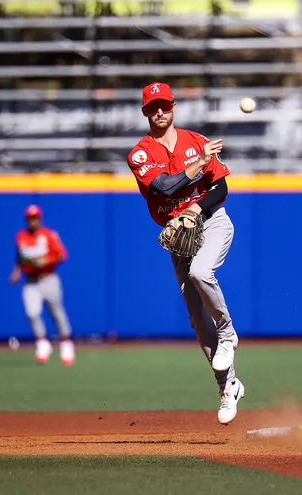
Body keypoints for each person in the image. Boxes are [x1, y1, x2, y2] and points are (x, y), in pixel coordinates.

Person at [126, 81, 242, 425]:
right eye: (153, 107)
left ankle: (228, 333)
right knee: (197, 319)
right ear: (145, 112)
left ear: (174, 107)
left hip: (212, 220)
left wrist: (196, 208)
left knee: (201, 272)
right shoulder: (140, 154)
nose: (159, 111)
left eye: (164, 105)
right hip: (180, 237)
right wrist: (197, 166)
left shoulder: (196, 141)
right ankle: (228, 386)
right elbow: (164, 187)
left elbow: (220, 186)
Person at [10, 205, 75, 366]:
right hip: (30, 280)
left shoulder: (48, 235)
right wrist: (16, 271)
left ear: (40, 219)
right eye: (30, 218)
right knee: (32, 313)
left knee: (57, 313)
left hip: (48, 278)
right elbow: (20, 257)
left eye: (35, 218)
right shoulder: (21, 236)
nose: (33, 221)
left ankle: (66, 343)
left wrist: (46, 260)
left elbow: (62, 255)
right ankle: (42, 343)